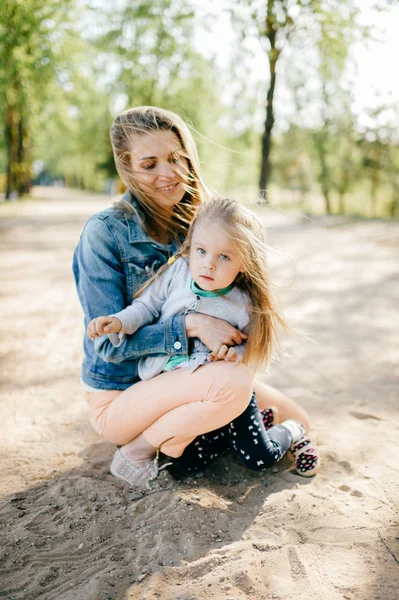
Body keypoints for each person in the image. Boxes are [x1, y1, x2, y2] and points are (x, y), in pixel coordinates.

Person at [73, 106, 318, 491]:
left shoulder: (200, 219)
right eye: (150, 163)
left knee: (296, 415)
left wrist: (237, 348)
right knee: (234, 388)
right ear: (126, 167)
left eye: (176, 158)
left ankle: (194, 431)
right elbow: (108, 345)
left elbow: (246, 296)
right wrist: (192, 324)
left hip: (187, 372)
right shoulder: (104, 233)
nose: (168, 174)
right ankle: (138, 448)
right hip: (124, 394)